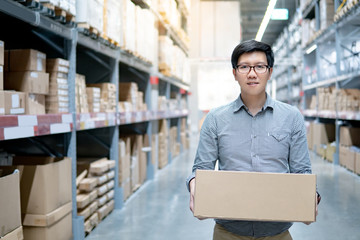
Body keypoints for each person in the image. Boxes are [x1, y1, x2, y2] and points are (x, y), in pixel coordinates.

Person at [186, 40, 320, 240]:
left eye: (259, 66)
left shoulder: (292, 117)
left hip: (277, 232)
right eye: (244, 67)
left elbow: (302, 172)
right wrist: (196, 186)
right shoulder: (215, 119)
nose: (252, 73)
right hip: (228, 232)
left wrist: (310, 198)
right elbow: (201, 170)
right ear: (234, 73)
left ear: (270, 71)